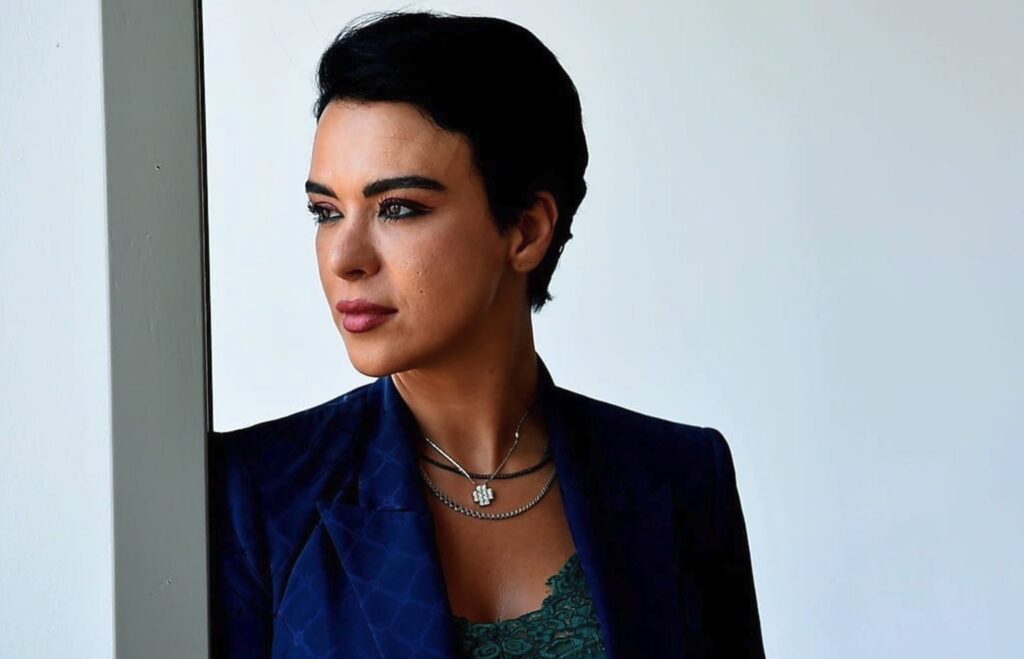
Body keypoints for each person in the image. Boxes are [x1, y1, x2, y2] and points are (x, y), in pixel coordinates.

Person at [208, 10, 764, 658]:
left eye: (398, 208)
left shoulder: (680, 479)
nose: (344, 258)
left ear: (526, 230)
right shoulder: (258, 494)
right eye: (326, 212)